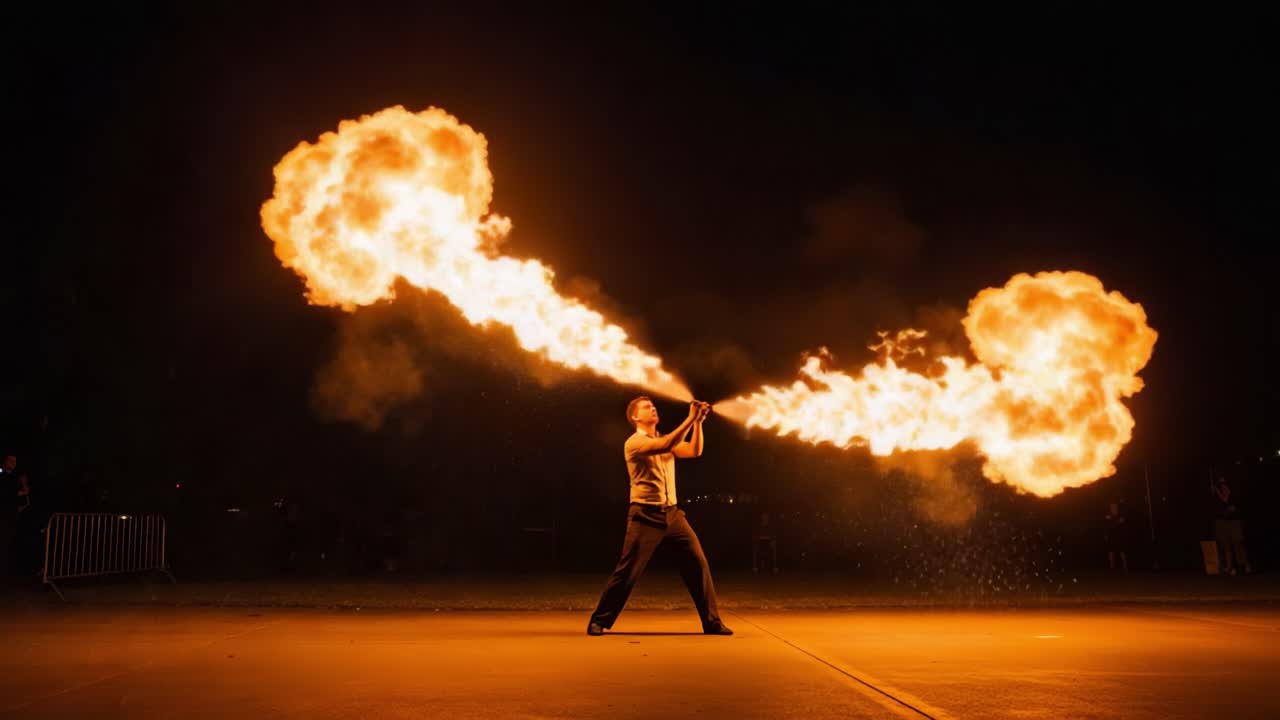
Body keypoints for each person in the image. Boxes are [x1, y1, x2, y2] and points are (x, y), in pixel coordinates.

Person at [587, 398, 732, 636]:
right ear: (635, 417)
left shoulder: (664, 439)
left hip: (673, 515)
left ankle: (712, 622)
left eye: (653, 406)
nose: (653, 408)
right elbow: (667, 444)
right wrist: (690, 418)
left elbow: (694, 450)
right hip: (645, 515)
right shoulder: (634, 443)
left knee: (698, 565)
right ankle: (599, 620)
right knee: (627, 571)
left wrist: (699, 423)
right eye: (646, 407)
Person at [1211, 475, 1251, 575]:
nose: (1222, 486)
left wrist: (1217, 490)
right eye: (1220, 484)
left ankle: (1245, 565)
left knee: (1238, 543)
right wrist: (1214, 490)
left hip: (1234, 521)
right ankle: (1230, 568)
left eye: (1224, 484)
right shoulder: (1216, 489)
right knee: (1226, 545)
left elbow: (1225, 499)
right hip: (1222, 520)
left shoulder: (1230, 488)